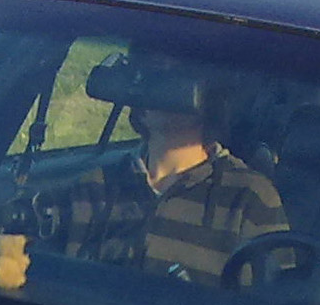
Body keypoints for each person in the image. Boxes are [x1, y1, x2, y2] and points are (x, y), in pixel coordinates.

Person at [47, 50, 287, 285]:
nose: (159, 90)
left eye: (175, 76)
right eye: (151, 74)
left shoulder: (250, 198)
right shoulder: (94, 187)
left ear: (209, 94)